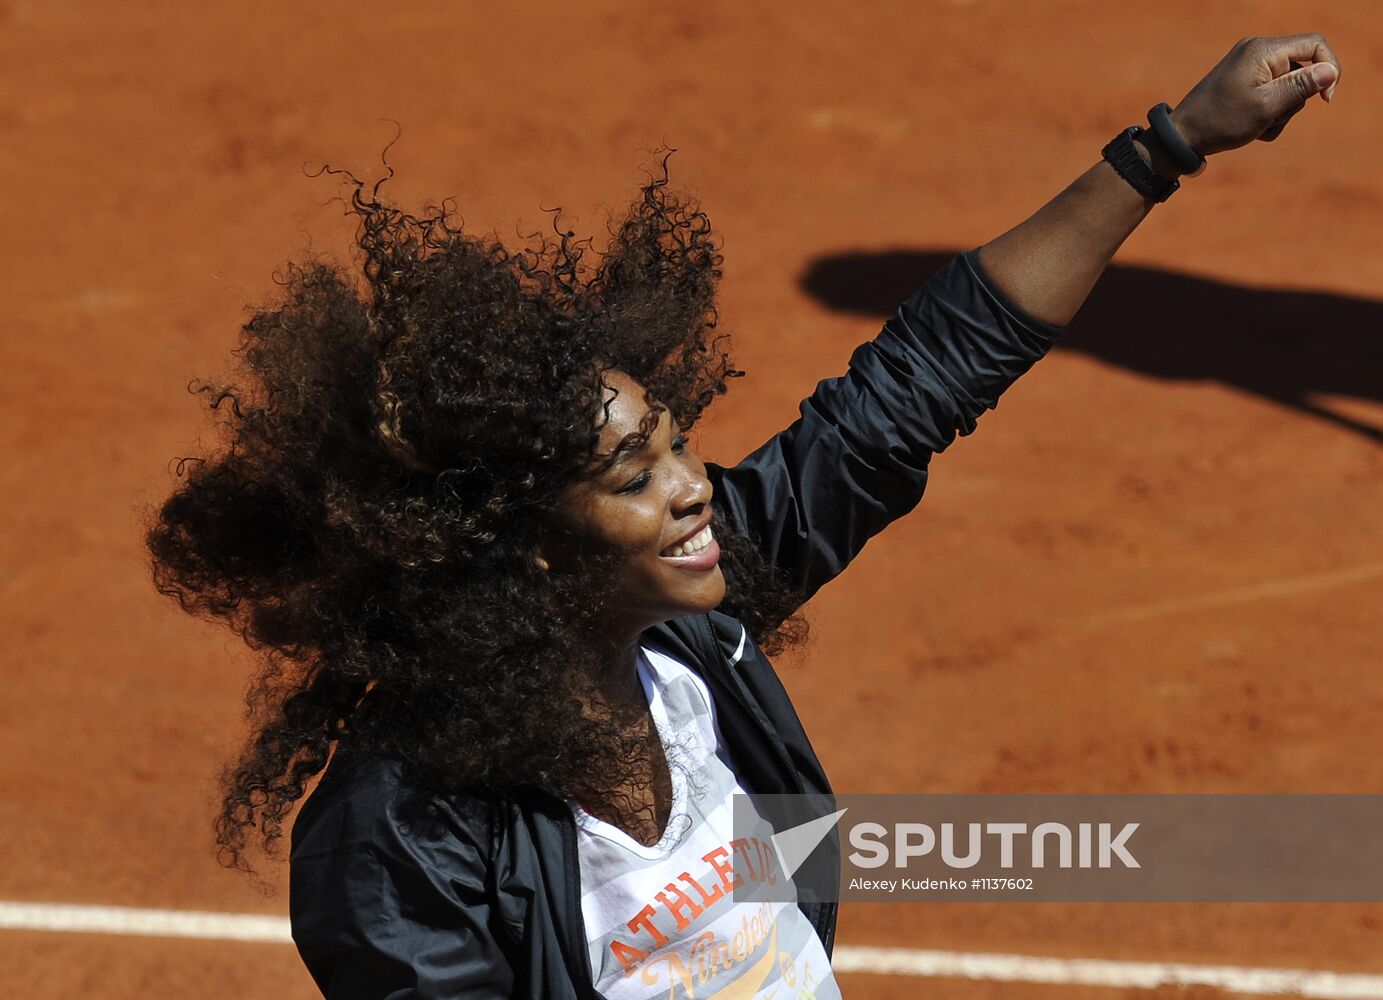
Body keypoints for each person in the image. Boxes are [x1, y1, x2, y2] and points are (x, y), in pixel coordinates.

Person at [147, 32, 1339, 1000]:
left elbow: (911, 390)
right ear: (517, 546)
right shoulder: (400, 838)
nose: (692, 485)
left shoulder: (681, 642)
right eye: (633, 477)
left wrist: (1170, 143)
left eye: (675, 441)